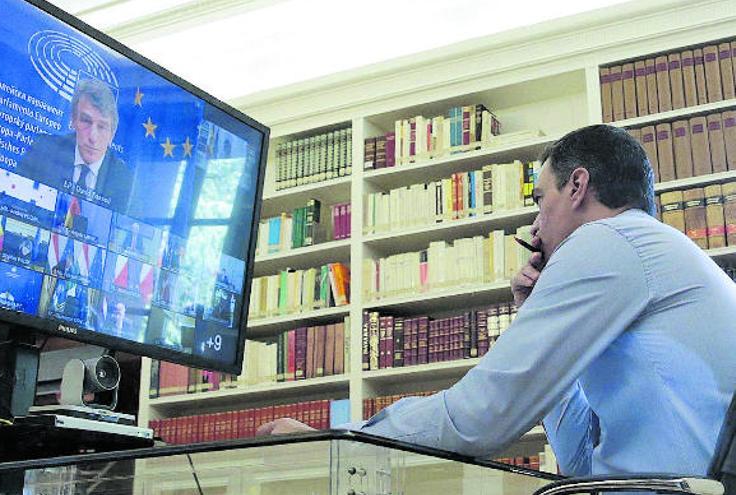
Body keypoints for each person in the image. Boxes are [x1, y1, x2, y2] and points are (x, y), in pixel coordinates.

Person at [257, 124, 736, 477]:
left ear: (577, 187)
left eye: (539, 199)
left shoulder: (609, 241)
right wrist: (534, 310)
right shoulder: (649, 254)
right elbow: (577, 461)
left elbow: (480, 419)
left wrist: (335, 441)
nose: (534, 226)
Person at [17, 78, 133, 212]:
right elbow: (12, 201)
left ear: (112, 134)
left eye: (102, 126)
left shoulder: (123, 180)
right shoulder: (43, 151)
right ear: (73, 120)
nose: (93, 137)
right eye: (86, 121)